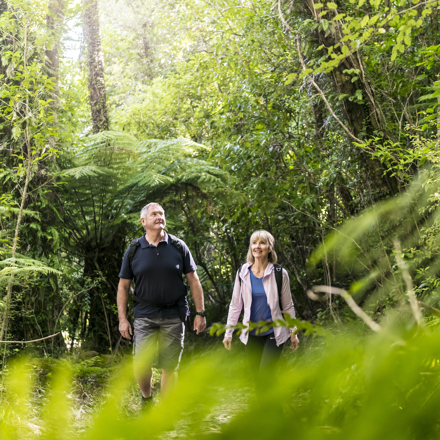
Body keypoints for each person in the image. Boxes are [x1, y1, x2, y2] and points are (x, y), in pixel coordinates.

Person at [117, 202, 206, 407]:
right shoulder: (133, 250)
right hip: (144, 314)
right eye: (154, 214)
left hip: (174, 314)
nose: (159, 217)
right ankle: (147, 400)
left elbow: (193, 280)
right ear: (143, 221)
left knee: (170, 365)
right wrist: (123, 319)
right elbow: (123, 287)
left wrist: (200, 313)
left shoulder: (178, 246)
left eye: (162, 214)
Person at [223, 230, 299, 388]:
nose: (257, 246)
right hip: (251, 335)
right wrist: (228, 333)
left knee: (265, 374)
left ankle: (278, 413)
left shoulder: (279, 274)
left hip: (273, 333)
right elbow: (235, 305)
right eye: (254, 243)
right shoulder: (242, 273)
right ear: (250, 247)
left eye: (262, 243)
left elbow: (288, 305)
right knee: (258, 380)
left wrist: (294, 331)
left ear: (270, 248)